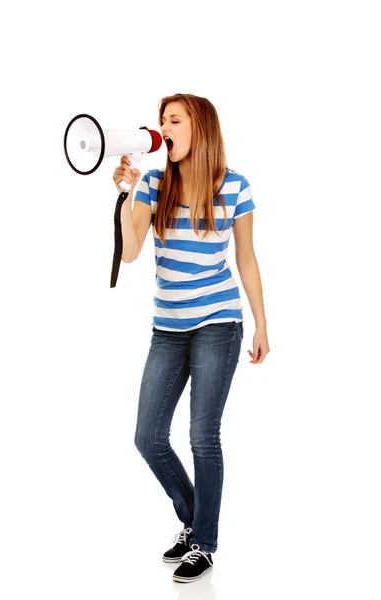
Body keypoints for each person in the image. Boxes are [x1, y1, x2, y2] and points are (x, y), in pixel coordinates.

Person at [112, 93, 270, 583]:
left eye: (174, 120)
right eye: (163, 120)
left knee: (202, 434)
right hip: (168, 326)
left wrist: (263, 323)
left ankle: (204, 541)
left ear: (198, 129)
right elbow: (131, 252)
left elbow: (246, 257)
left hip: (218, 324)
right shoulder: (154, 183)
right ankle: (196, 518)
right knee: (147, 436)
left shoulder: (236, 187)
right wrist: (124, 195)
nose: (164, 127)